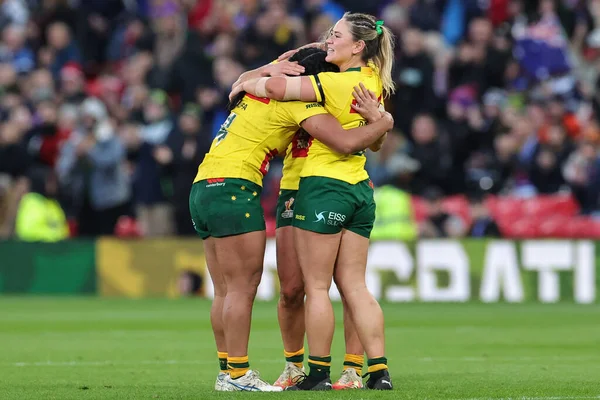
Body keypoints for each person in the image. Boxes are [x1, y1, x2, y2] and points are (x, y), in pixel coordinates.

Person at [190, 47, 393, 392]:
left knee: (228, 290)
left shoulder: (258, 90)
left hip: (205, 184)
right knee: (256, 288)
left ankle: (232, 371)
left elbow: (238, 84)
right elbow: (344, 141)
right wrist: (384, 121)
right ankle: (242, 374)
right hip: (239, 184)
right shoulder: (300, 101)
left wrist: (267, 69)